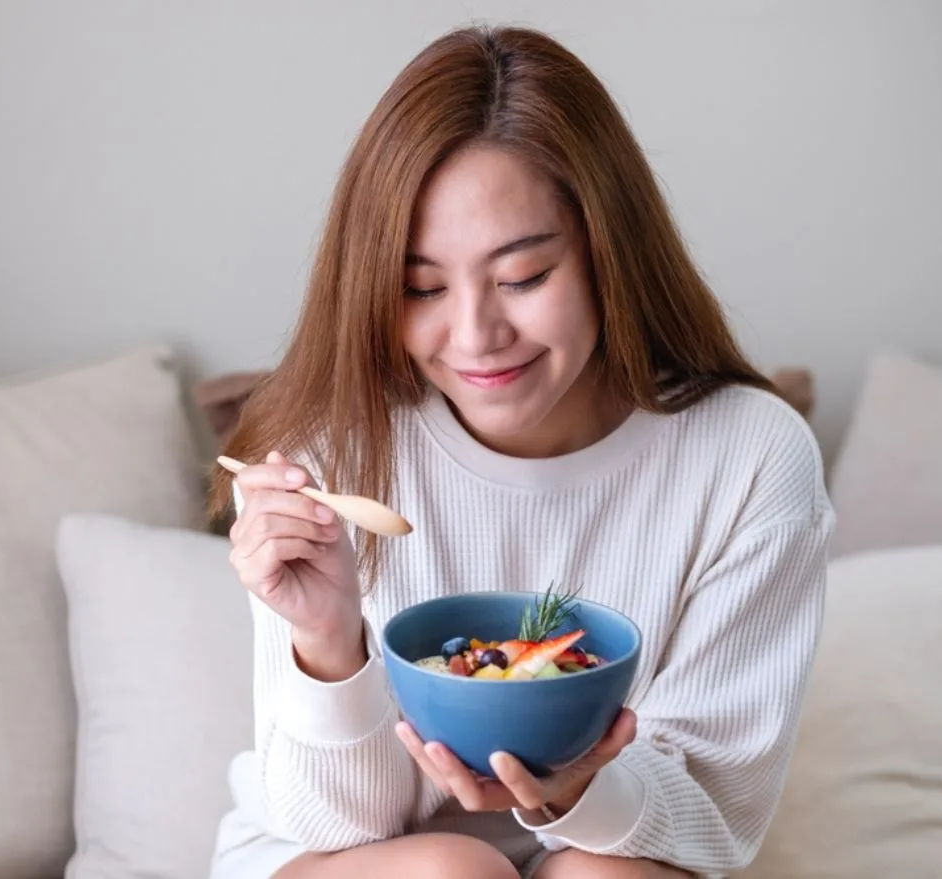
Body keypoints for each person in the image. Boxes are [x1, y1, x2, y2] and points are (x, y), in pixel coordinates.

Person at [207, 23, 834, 879]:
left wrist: (578, 790)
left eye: (524, 277)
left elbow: (714, 818)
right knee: (451, 873)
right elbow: (327, 822)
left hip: (619, 852)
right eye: (421, 288)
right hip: (345, 858)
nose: (476, 336)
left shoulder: (751, 457)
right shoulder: (325, 454)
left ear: (610, 251)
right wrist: (327, 639)